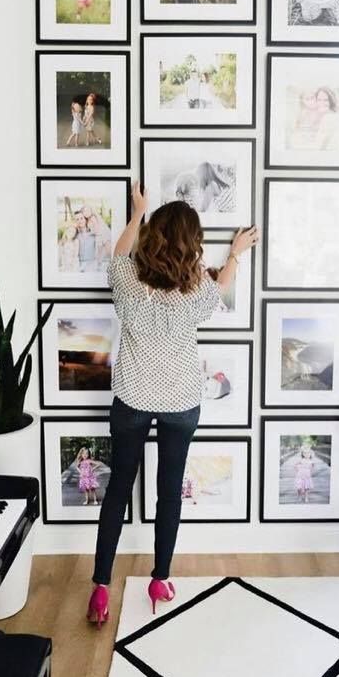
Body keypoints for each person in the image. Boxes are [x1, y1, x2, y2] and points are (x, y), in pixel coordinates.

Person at [86, 182, 258, 626]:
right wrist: (236, 252)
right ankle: (159, 579)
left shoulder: (125, 281)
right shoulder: (198, 290)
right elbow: (223, 283)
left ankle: (100, 588)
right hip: (180, 401)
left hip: (132, 397)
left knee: (118, 488)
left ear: (155, 235)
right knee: (169, 492)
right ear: (191, 245)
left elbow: (121, 254)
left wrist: (137, 212)